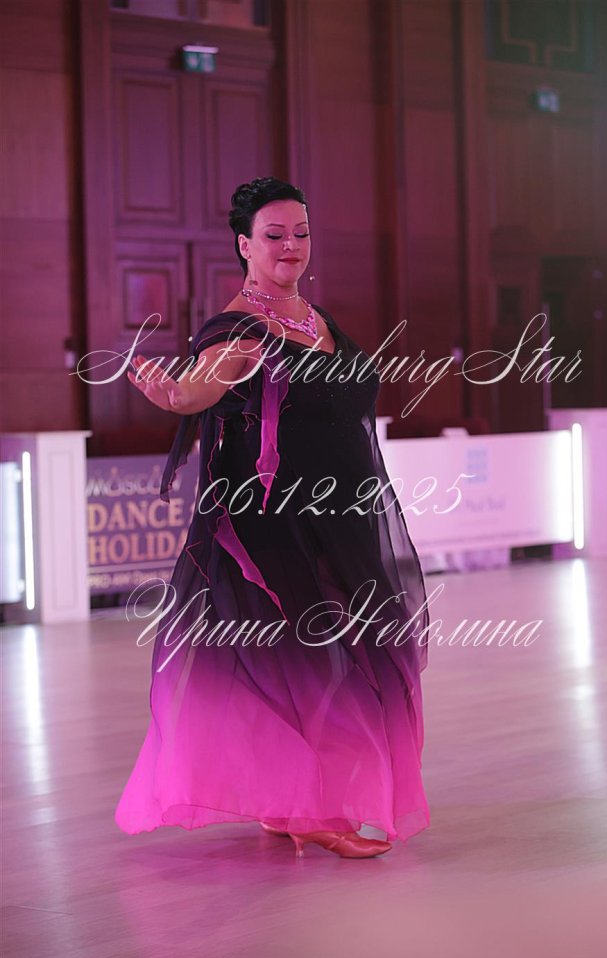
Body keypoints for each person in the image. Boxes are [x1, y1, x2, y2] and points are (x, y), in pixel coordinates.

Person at [115, 177, 430, 859]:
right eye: (275, 235)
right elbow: (202, 386)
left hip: (338, 515)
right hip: (273, 522)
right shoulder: (240, 330)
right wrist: (176, 396)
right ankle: (307, 808)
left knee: (335, 651)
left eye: (301, 233)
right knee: (310, 657)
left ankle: (288, 800)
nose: (291, 246)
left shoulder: (313, 317)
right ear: (244, 244)